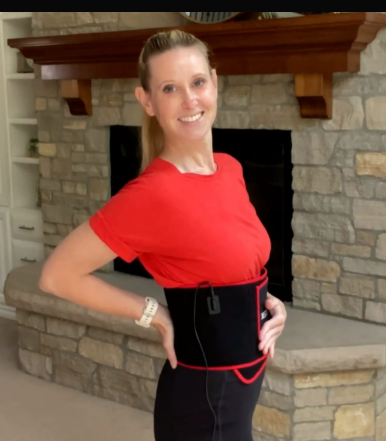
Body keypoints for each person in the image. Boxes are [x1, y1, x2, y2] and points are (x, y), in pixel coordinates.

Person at [39, 29, 287, 441]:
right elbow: (57, 276)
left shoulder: (229, 168)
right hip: (201, 404)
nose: (190, 100)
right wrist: (153, 314)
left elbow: (233, 263)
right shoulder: (152, 195)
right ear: (148, 101)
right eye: (170, 88)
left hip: (240, 390)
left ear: (215, 83)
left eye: (197, 82)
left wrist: (269, 306)